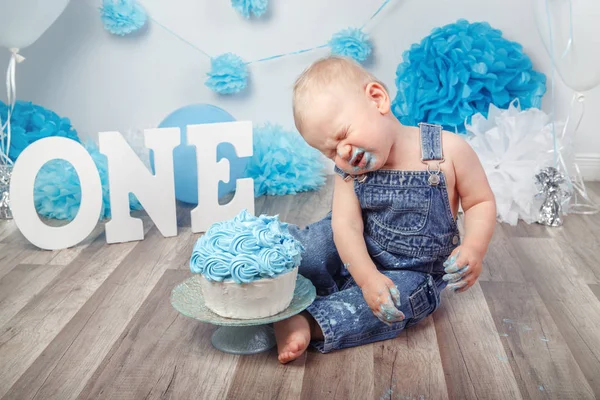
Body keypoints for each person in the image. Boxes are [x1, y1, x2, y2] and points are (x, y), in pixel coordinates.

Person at [274, 56, 496, 364]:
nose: (342, 154)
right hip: (354, 250)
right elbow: (346, 227)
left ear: (377, 99)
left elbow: (479, 202)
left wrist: (474, 247)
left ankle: (310, 321)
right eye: (328, 152)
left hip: (410, 272)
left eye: (342, 136)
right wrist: (365, 277)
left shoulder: (448, 151)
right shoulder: (351, 172)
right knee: (312, 248)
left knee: (404, 299)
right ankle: (265, 260)